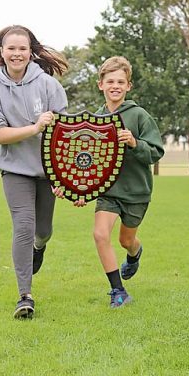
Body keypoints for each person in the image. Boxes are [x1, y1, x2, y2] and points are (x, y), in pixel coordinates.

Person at [0, 25, 68, 319]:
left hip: (47, 170)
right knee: (24, 226)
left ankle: (39, 247)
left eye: (22, 48)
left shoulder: (48, 85)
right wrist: (34, 127)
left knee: (43, 231)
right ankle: (24, 296)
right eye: (11, 48)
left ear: (31, 52)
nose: (17, 54)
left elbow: (64, 134)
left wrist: (62, 175)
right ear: (1, 52)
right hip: (14, 169)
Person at [62, 56, 164, 308]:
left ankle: (134, 254)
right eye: (110, 81)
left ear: (129, 86)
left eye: (121, 81)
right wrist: (78, 190)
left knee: (126, 241)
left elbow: (156, 151)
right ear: (101, 85)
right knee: (99, 234)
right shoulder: (95, 120)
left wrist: (134, 143)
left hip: (136, 192)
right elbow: (88, 160)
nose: (115, 86)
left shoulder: (139, 115)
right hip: (108, 192)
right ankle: (118, 290)